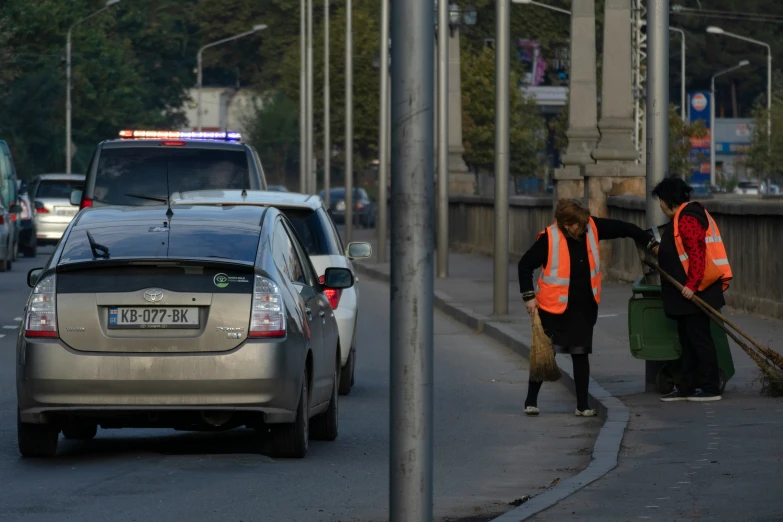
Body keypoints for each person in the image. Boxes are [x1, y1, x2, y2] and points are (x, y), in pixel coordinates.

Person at [518, 198, 657, 417]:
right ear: (566, 224)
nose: (583, 228)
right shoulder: (549, 238)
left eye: (584, 224)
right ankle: (531, 400)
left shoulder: (591, 227)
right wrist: (528, 297)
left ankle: (582, 405)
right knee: (545, 354)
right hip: (553, 306)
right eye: (578, 225)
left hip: (584, 305)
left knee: (580, 353)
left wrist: (649, 241)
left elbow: (624, 228)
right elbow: (524, 265)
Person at [652, 177, 732, 402]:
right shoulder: (679, 219)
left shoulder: (687, 219)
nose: (659, 205)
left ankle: (710, 387)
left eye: (660, 200)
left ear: (669, 200)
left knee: (699, 339)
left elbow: (697, 255)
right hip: (686, 294)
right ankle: (686, 386)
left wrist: (691, 286)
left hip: (696, 291)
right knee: (687, 341)